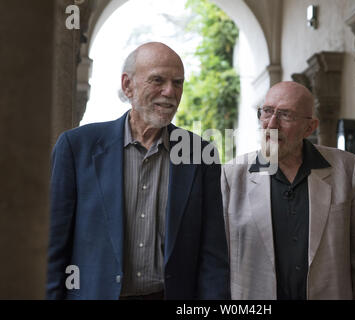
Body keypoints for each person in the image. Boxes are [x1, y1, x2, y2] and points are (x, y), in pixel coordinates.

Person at [46, 42, 230, 300]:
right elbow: (53, 246)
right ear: (127, 85)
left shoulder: (200, 154)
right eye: (157, 80)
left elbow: (213, 254)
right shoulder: (76, 147)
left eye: (178, 83)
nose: (169, 91)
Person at [221, 81, 355, 300]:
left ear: (310, 127)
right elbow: (217, 262)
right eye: (267, 112)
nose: (271, 125)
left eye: (285, 115)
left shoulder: (347, 169)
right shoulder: (232, 176)